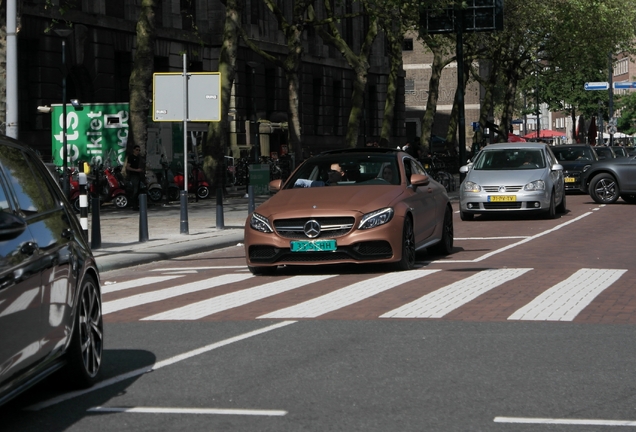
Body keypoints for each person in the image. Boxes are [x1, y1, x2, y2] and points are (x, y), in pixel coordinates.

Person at [125, 145, 143, 210]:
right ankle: (134, 205)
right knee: (135, 190)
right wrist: (136, 170)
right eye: (137, 150)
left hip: (138, 175)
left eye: (139, 150)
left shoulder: (138, 158)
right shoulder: (131, 157)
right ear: (134, 150)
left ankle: (136, 204)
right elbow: (128, 167)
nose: (138, 151)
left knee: (138, 190)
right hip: (133, 175)